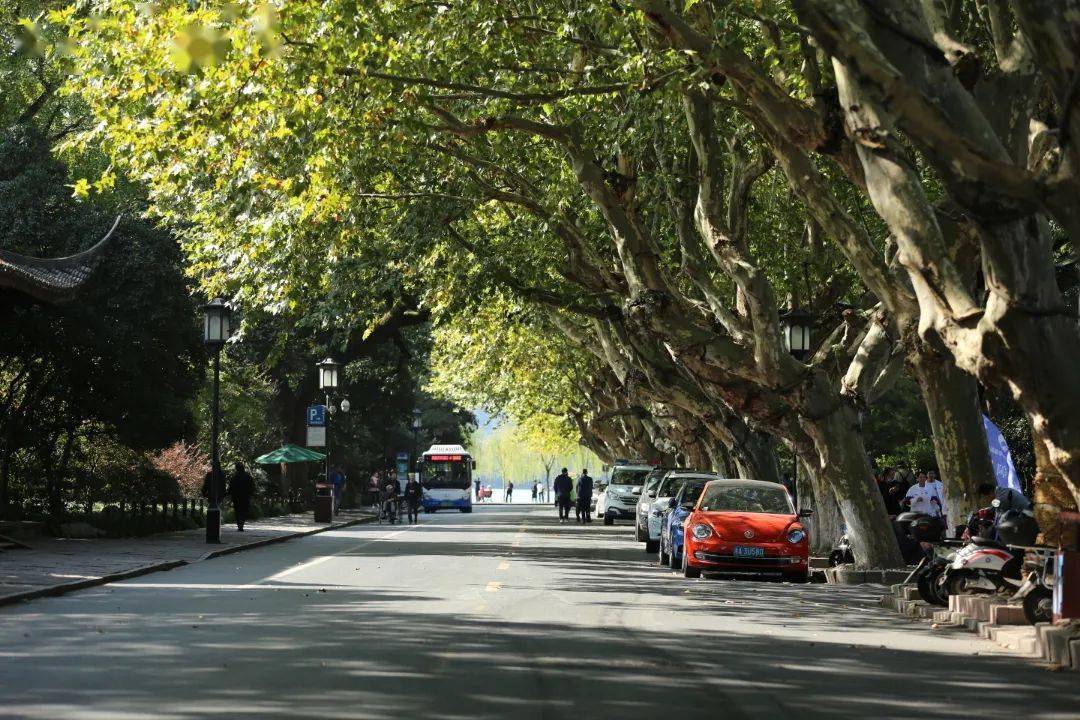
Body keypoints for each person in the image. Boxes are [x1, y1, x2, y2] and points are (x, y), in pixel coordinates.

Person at [228, 462, 255, 531]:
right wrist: (251, 494)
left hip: (236, 497)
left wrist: (228, 494)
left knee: (237, 510)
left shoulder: (234, 477)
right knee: (244, 510)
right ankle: (241, 523)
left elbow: (231, 487)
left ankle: (239, 524)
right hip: (245, 497)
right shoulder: (248, 476)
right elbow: (252, 486)